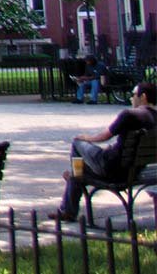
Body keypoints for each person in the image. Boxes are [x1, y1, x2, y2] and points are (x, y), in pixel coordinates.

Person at [54, 81, 156, 222]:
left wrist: (86, 137)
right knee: (78, 168)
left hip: (110, 167)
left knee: (77, 144)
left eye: (134, 94)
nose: (131, 98)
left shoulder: (129, 114)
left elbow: (104, 136)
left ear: (143, 96)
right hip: (133, 170)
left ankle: (74, 178)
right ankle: (74, 178)